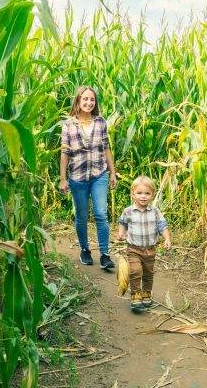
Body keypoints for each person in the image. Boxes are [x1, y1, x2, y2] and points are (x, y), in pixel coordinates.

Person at [60, 86, 117, 269]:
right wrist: (63, 178)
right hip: (77, 177)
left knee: (101, 213)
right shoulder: (68, 125)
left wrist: (112, 172)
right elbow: (65, 153)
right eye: (85, 99)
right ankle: (85, 249)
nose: (88, 103)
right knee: (82, 217)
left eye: (92, 99)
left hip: (99, 174)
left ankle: (105, 254)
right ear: (78, 100)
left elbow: (106, 148)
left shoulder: (101, 122)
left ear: (95, 102)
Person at [117, 176, 172, 312]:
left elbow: (162, 226)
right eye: (139, 193)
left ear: (152, 195)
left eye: (147, 193)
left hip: (150, 250)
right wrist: (121, 233)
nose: (143, 197)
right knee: (136, 271)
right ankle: (136, 295)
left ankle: (146, 293)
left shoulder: (155, 212)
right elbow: (123, 223)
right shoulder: (128, 211)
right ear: (133, 194)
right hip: (133, 249)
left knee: (148, 273)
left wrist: (167, 238)